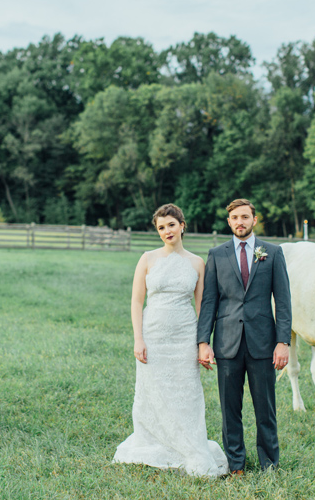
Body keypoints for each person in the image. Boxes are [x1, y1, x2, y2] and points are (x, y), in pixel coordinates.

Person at [113, 203, 228, 478]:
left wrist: (204, 343)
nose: (167, 231)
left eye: (171, 225)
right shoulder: (148, 259)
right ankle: (153, 442)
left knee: (186, 392)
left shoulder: (197, 263)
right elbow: (136, 300)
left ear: (182, 225)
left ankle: (188, 443)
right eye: (161, 227)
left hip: (184, 336)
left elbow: (203, 308)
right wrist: (138, 338)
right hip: (153, 335)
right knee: (152, 391)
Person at [196, 198, 292, 474]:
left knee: (266, 409)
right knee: (230, 410)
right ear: (229, 222)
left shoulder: (272, 253)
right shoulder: (216, 254)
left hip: (263, 343)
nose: (240, 222)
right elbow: (209, 302)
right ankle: (235, 463)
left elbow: (283, 302)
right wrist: (203, 342)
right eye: (235, 218)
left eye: (245, 217)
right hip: (227, 344)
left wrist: (282, 342)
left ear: (254, 220)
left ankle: (269, 463)